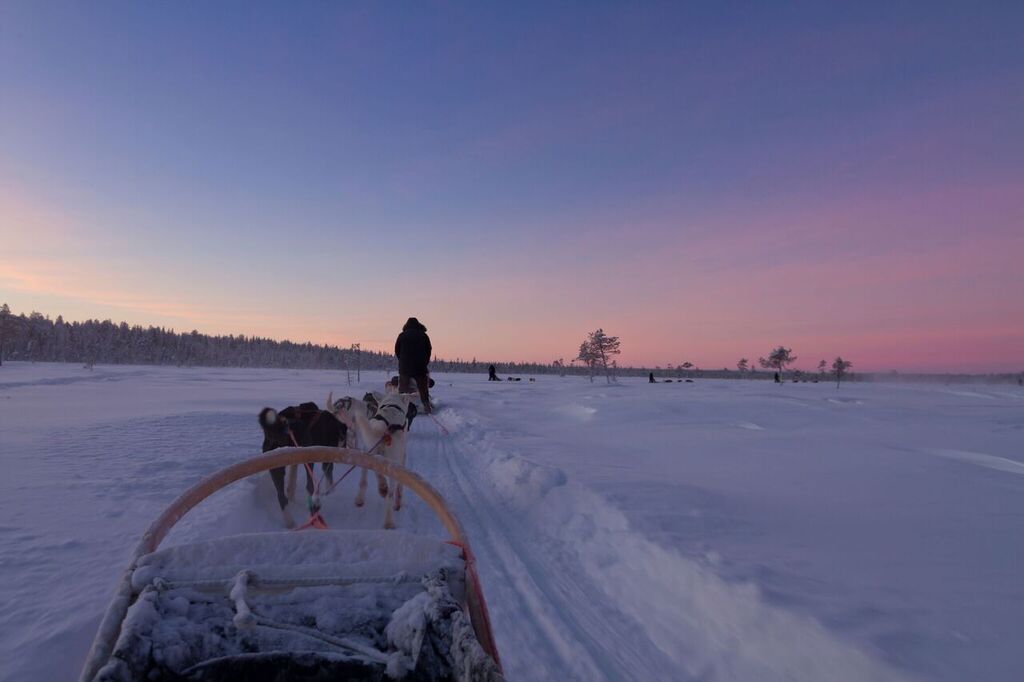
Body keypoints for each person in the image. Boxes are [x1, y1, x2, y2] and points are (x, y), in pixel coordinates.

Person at [395, 317, 432, 413]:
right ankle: (427, 407)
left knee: (403, 389)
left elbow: (397, 351)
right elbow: (428, 351)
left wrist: (402, 361)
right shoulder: (424, 336)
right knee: (423, 389)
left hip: (405, 367)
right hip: (420, 367)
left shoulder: (402, 335)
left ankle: (400, 408)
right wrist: (424, 363)